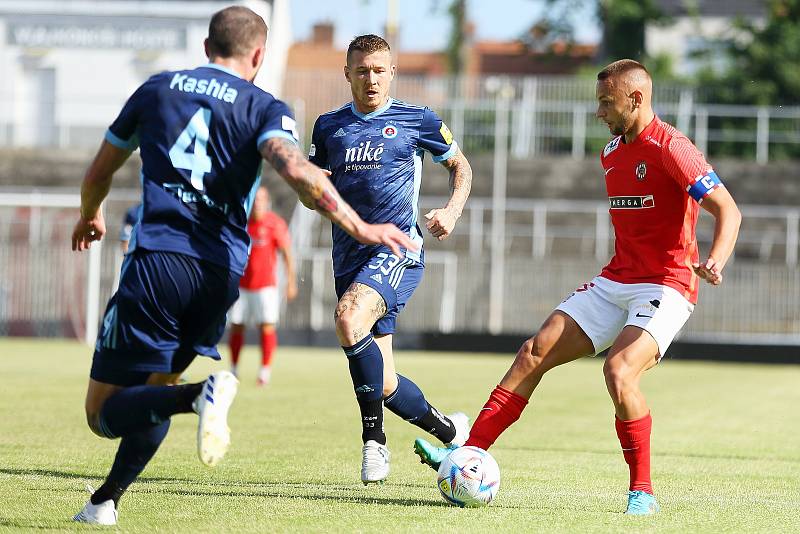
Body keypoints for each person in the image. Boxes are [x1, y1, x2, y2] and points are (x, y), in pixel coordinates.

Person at [70, 8, 415, 526]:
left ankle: (200, 395)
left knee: (103, 414)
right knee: (154, 395)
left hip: (159, 261)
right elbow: (298, 171)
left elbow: (100, 170)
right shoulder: (265, 107)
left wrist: (91, 213)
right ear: (258, 56)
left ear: (207, 47)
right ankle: (105, 501)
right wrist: (361, 228)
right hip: (217, 277)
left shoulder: (158, 90)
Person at [413, 59, 742, 515]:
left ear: (637, 98)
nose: (598, 112)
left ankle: (642, 492)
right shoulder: (610, 153)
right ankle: (466, 454)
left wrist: (715, 260)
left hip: (668, 284)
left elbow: (729, 210)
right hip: (617, 279)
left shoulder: (673, 148)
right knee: (533, 352)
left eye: (606, 103)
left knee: (620, 370)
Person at [308, 34, 474, 485]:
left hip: (398, 250)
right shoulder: (327, 127)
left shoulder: (416, 119)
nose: (371, 79)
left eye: (379, 70)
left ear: (392, 72)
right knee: (382, 382)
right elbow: (314, 197)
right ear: (347, 74)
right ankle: (450, 430)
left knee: (347, 318)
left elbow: (461, 166)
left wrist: (451, 211)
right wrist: (312, 189)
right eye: (361, 70)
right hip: (348, 257)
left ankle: (374, 443)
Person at [228, 186, 297, 385]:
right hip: (241, 285)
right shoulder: (242, 222)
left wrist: (291, 282)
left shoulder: (275, 224)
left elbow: (287, 254)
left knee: (266, 326)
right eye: (255, 199)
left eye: (261, 199)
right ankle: (233, 369)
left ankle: (264, 372)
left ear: (267, 202)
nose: (258, 203)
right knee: (236, 326)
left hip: (266, 286)